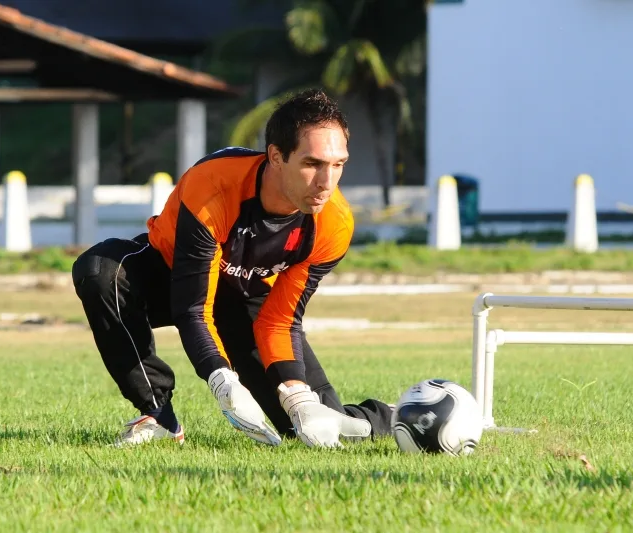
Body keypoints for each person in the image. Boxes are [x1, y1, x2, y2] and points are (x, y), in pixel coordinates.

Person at [71, 88, 393, 449]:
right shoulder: (215, 184)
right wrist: (222, 380)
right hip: (169, 274)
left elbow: (281, 320)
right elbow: (193, 308)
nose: (326, 182)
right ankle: (158, 415)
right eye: (311, 164)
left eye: (338, 165)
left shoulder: (334, 224)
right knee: (100, 272)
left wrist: (298, 396)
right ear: (276, 156)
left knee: (317, 431)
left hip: (244, 299)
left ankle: (395, 418)